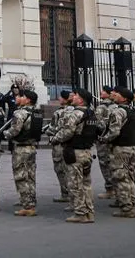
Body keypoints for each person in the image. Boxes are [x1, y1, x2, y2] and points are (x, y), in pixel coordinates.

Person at [50, 88, 96, 224]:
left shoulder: (75, 113)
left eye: (75, 95)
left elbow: (67, 132)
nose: (73, 97)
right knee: (86, 184)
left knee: (75, 184)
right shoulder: (90, 113)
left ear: (81, 99)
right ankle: (89, 212)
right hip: (87, 151)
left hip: (75, 152)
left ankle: (81, 213)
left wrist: (54, 139)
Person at [0, 87, 41, 216]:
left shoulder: (20, 113)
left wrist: (4, 134)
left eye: (22, 96)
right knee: (31, 176)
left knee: (21, 177)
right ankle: (31, 201)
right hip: (32, 147)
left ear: (27, 100)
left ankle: (27, 205)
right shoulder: (37, 112)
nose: (19, 98)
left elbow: (15, 131)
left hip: (21, 148)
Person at [106, 88, 135, 218]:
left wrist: (104, 139)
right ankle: (130, 202)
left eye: (118, 94)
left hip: (120, 148)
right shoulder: (132, 111)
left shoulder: (119, 111)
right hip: (131, 147)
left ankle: (126, 208)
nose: (115, 95)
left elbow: (114, 132)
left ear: (124, 98)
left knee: (121, 177)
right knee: (130, 177)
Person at [45, 90, 71, 203]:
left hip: (59, 144)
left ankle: (66, 193)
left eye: (60, 97)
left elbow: (54, 128)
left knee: (60, 169)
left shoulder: (59, 113)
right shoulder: (74, 110)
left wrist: (48, 131)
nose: (58, 99)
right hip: (70, 143)